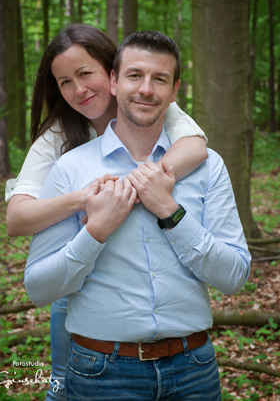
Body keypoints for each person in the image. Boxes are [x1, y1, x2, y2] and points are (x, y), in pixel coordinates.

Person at [25, 31, 250, 400]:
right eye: (134, 76)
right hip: (102, 373)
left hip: (194, 370)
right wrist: (94, 232)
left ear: (175, 90)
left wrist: (171, 212)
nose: (146, 89)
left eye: (159, 79)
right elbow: (38, 288)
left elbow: (235, 277)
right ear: (114, 82)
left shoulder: (209, 167)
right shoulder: (69, 169)